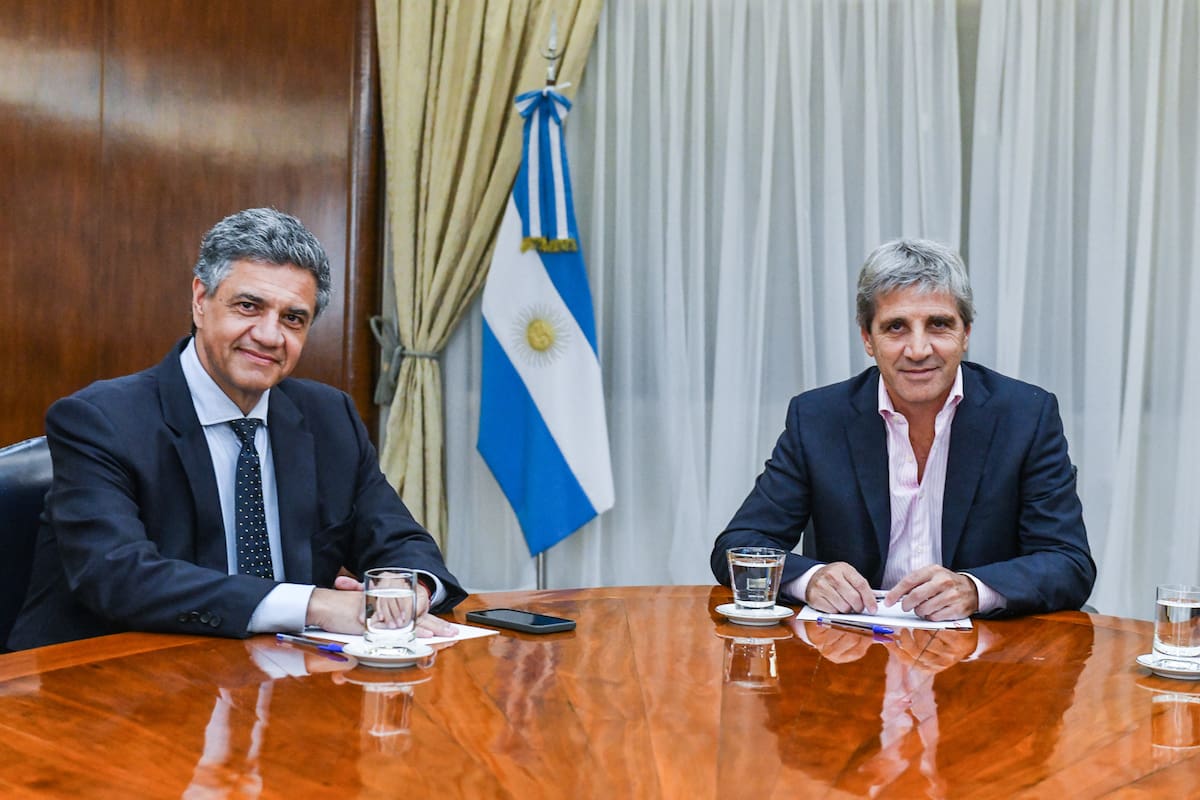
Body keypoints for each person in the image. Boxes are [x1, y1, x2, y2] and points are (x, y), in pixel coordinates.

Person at [8, 208, 466, 650]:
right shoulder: (100, 420)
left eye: (293, 318)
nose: (269, 335)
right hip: (108, 679)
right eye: (249, 306)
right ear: (200, 300)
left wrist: (407, 589)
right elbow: (118, 575)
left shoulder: (330, 417)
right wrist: (316, 605)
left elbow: (400, 539)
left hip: (280, 675)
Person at [710, 238, 1096, 619]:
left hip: (986, 648)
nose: (918, 350)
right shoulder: (818, 418)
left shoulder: (1025, 416)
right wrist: (810, 579)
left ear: (966, 333)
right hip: (851, 646)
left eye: (939, 325)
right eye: (896, 327)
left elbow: (1068, 561)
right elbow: (739, 545)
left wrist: (975, 589)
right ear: (867, 338)